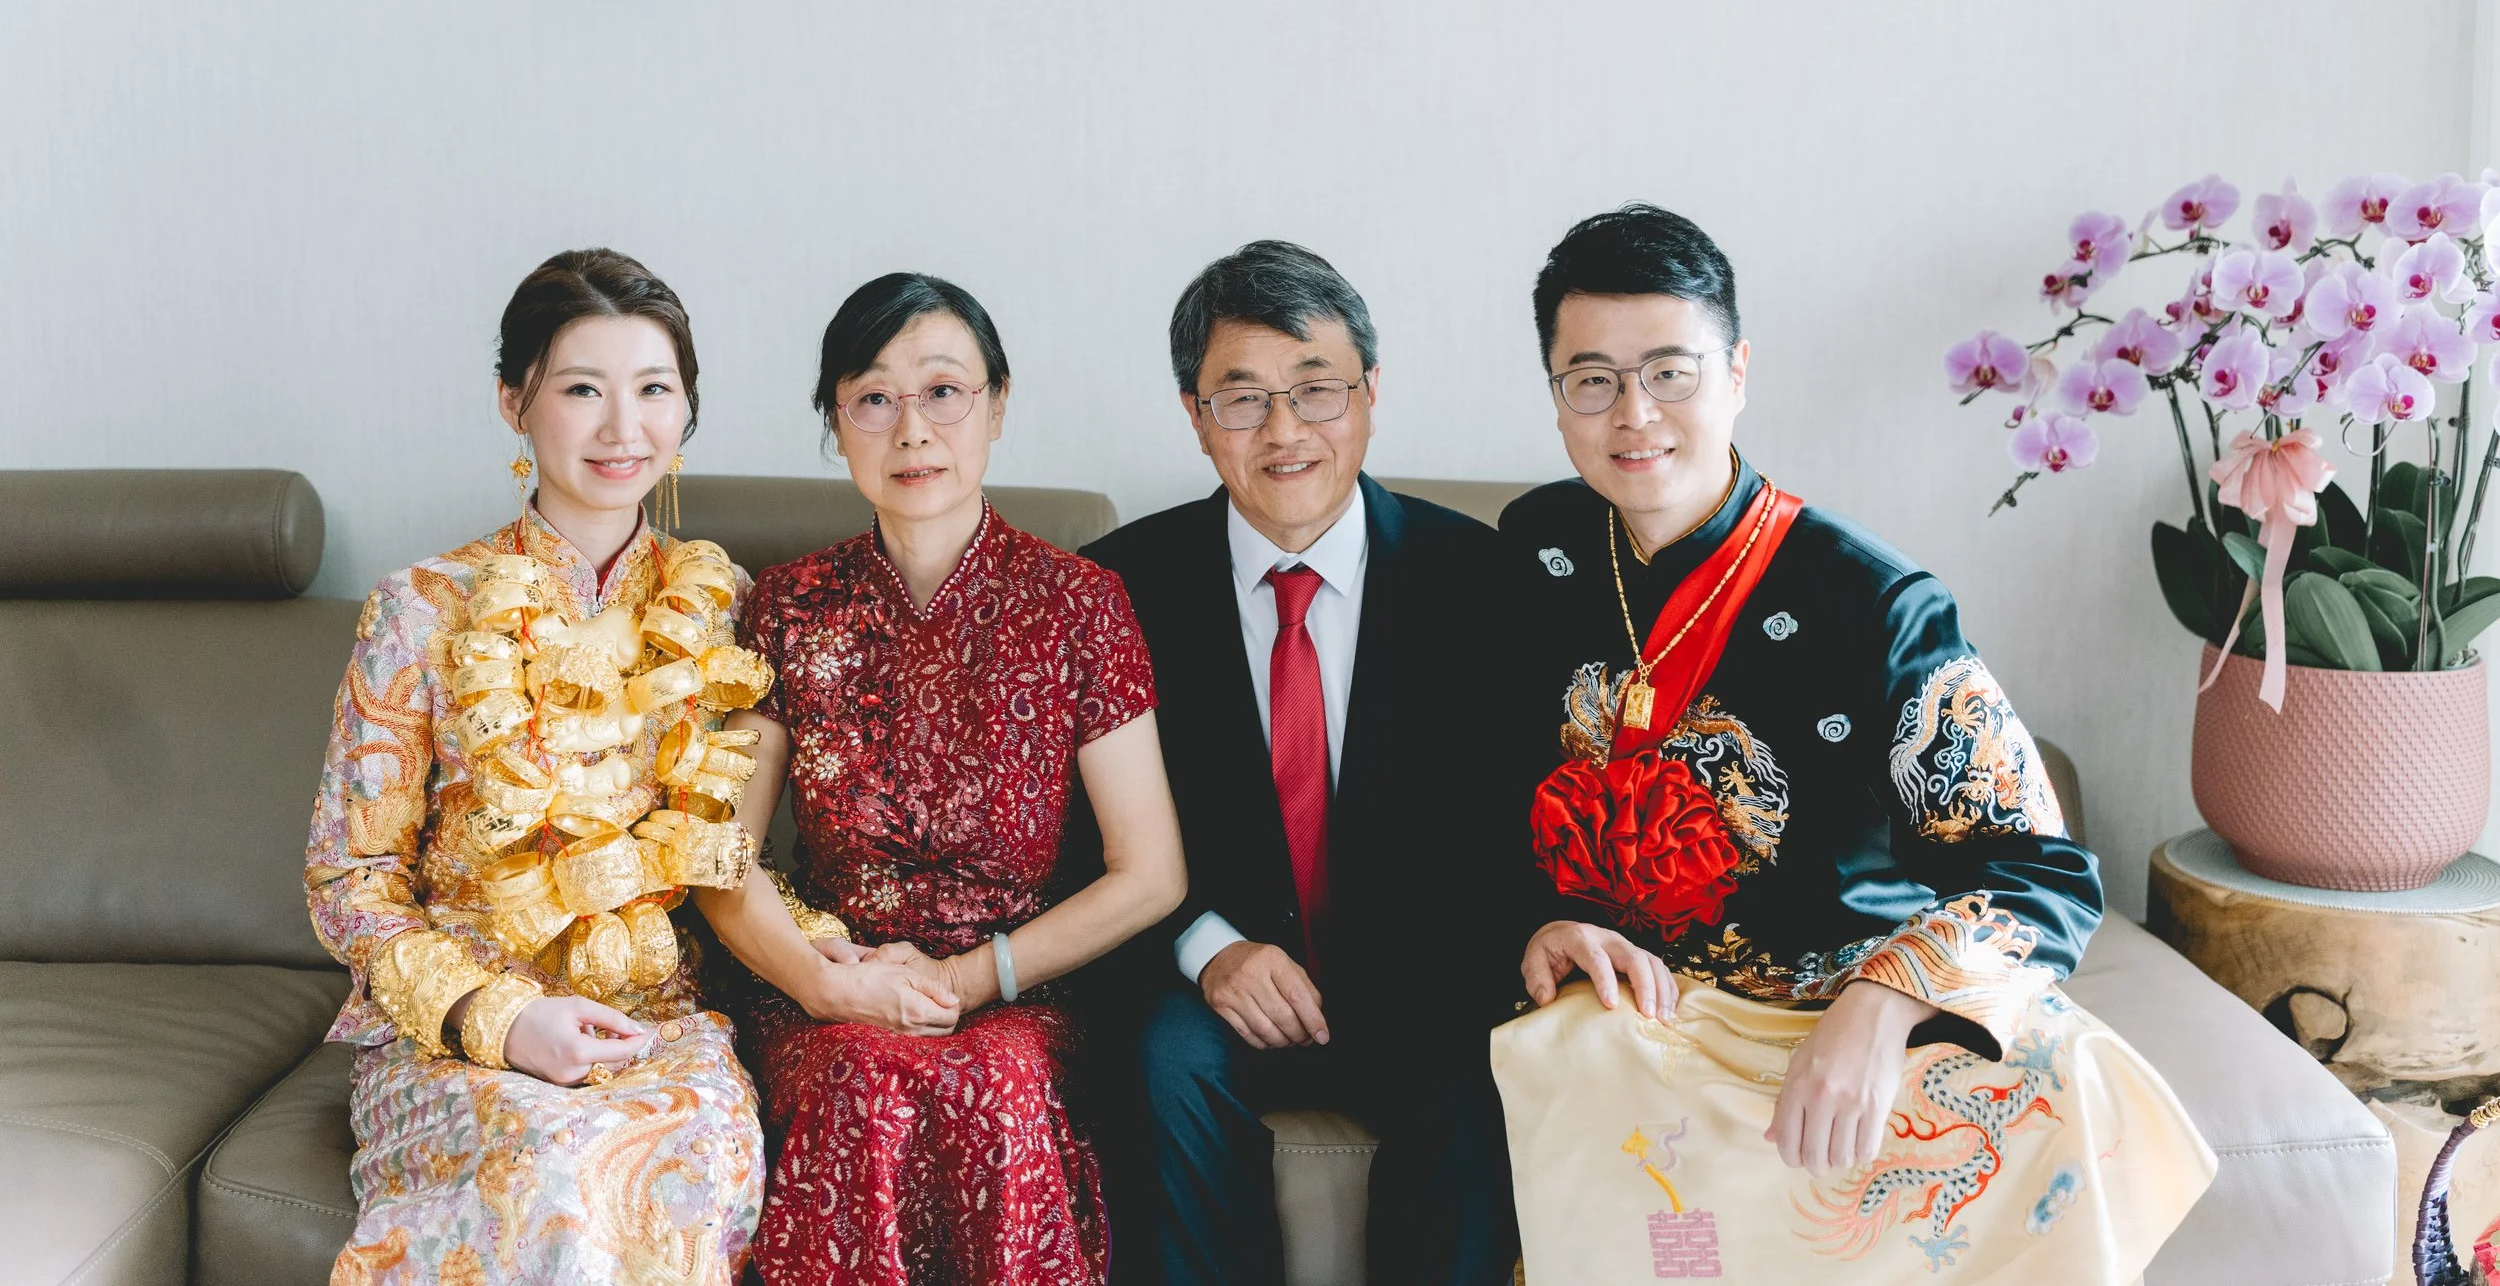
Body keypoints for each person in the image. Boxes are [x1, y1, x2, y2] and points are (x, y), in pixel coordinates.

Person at [1490, 204, 2215, 1282]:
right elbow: (1473, 795)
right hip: (1644, 1014)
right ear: (1556, 397)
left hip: (1849, 1005)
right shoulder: (1536, 549)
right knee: (1557, 1055)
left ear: (1737, 373)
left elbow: (2044, 873)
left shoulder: (1873, 604)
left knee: (2075, 1080)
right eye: (1590, 379)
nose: (1634, 414)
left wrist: (1885, 1002)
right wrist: (1538, 919)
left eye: (1670, 373)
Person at [1084, 241, 1596, 1286]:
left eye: (1316, 389)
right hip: (1212, 981)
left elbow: (1524, 822)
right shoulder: (1115, 592)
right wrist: (1208, 948)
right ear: (1195, 417)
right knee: (1159, 1061)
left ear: (1369, 395)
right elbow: (1073, 838)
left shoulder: (1483, 581)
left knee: (1475, 1070)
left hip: (1423, 977)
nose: (1283, 431)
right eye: (1242, 399)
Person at [694, 272, 1188, 1286]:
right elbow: (719, 855)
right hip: (833, 986)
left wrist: (965, 983)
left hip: (1019, 988)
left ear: (997, 406)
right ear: (837, 423)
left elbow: (1150, 873)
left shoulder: (1081, 604)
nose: (912, 429)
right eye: (874, 397)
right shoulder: (787, 606)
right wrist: (828, 986)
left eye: (944, 391)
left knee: (996, 1081)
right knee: (860, 1080)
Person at [308, 248, 776, 1286]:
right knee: (550, 1168)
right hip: (456, 1033)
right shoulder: (418, 608)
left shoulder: (726, 609)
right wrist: (503, 1019)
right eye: (582, 390)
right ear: (513, 402)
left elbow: (738, 848)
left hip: (657, 1027)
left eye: (654, 390)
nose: (623, 428)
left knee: (678, 1163)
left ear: (687, 411)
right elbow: (350, 880)